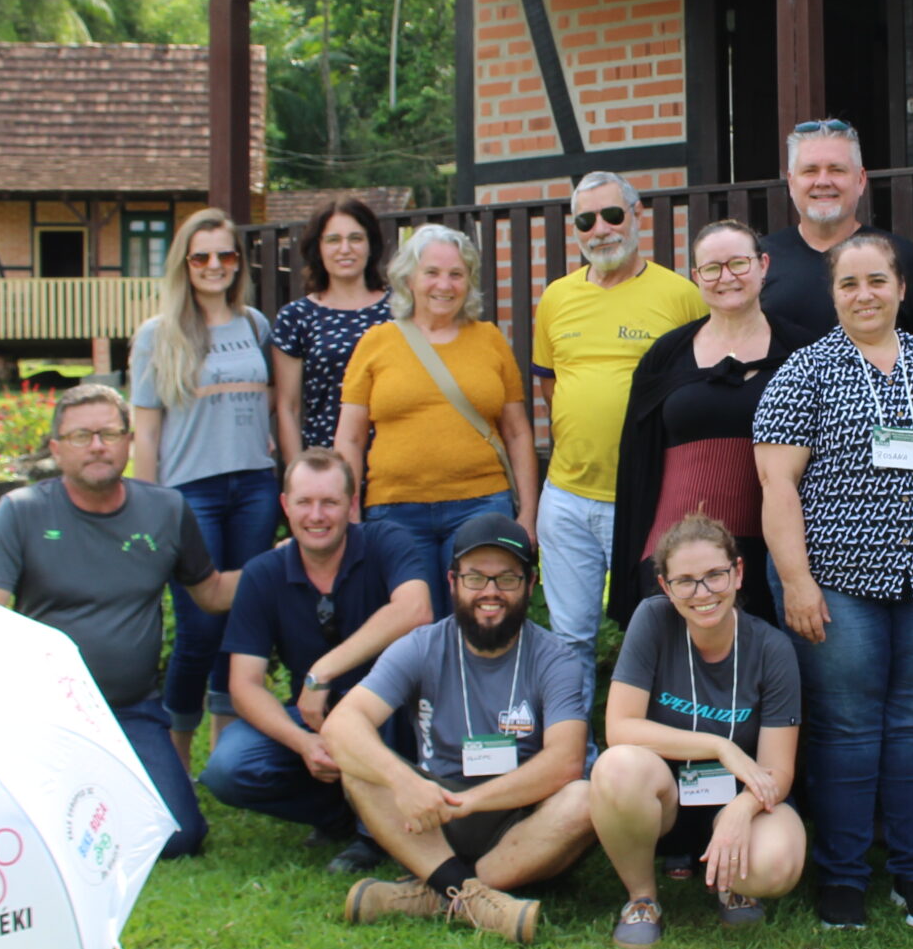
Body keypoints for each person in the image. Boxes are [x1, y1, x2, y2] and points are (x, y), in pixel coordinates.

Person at [754, 230, 913, 932]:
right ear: (834, 294)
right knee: (849, 730)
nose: (864, 294)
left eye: (876, 281)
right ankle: (843, 878)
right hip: (837, 585)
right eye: (848, 283)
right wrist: (796, 580)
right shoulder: (806, 371)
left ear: (901, 288)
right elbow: (777, 482)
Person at [0, 382, 239, 860]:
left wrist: (287, 563)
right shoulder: (23, 512)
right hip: (48, 713)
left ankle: (91, 799)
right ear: (56, 449)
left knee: (181, 837)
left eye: (109, 433)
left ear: (128, 442)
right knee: (13, 828)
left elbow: (213, 592)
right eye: (81, 436)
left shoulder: (166, 510)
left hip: (131, 709)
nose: (97, 445)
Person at [324, 514, 596, 945]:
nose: (490, 592)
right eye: (475, 577)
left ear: (530, 583)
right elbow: (341, 724)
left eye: (506, 578)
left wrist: (468, 803)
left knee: (584, 798)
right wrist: (402, 782)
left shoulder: (555, 658)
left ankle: (432, 894)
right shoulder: (421, 645)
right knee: (360, 768)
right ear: (452, 581)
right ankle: (473, 897)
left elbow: (565, 762)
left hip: (518, 819)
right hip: (430, 816)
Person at [200, 448, 436, 873]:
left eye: (329, 502)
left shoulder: (386, 541)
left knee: (382, 708)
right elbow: (244, 684)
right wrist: (304, 744)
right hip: (315, 723)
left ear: (351, 505)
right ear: (286, 506)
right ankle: (340, 815)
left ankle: (374, 835)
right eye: (305, 502)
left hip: (391, 713)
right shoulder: (262, 573)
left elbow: (416, 609)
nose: (317, 515)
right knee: (227, 768)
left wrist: (321, 671)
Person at [532, 171, 707, 716]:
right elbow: (549, 385)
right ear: (575, 229)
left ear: (636, 216)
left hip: (648, 499)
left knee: (661, 632)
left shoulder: (680, 294)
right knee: (569, 641)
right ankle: (574, 762)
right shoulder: (557, 298)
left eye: (612, 215)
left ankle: (658, 755)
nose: (601, 229)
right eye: (586, 220)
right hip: (566, 497)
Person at [590, 512, 808, 949]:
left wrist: (741, 811)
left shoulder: (771, 648)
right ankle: (642, 899)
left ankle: (734, 883)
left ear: (739, 573)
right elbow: (619, 728)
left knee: (779, 862)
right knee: (616, 768)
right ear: (667, 588)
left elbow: (777, 771)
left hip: (735, 801)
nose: (703, 593)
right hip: (663, 800)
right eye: (686, 581)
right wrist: (719, 746)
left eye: (715, 576)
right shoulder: (652, 621)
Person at [610, 218, 812, 630]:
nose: (726, 278)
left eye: (738, 263)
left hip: (774, 549)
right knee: (673, 677)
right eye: (712, 268)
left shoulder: (803, 352)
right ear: (696, 277)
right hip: (678, 550)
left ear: (763, 265)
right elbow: (636, 463)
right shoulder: (665, 356)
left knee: (764, 672)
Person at [131, 207, 281, 765]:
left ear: (238, 263)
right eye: (202, 257)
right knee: (197, 627)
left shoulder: (255, 326)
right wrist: (145, 509)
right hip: (188, 494)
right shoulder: (157, 336)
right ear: (184, 264)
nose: (214, 265)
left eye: (225, 255)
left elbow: (270, 410)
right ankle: (173, 752)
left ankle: (224, 750)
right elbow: (146, 432)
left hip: (254, 489)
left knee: (239, 625)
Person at [335, 223, 538, 610]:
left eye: (456, 274)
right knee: (409, 624)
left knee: (480, 619)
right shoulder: (377, 342)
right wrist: (351, 510)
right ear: (408, 278)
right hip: (394, 510)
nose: (444, 284)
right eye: (432, 272)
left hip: (481, 506)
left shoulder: (489, 339)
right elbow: (350, 438)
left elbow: (516, 433)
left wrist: (527, 514)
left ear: (469, 282)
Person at [757, 119, 913, 339]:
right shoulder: (759, 263)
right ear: (791, 183)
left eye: (836, 170)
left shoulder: (905, 259)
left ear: (860, 180)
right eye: (810, 171)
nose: (822, 181)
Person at [272, 197, 393, 464]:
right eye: (333, 240)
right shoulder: (296, 317)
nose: (345, 249)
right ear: (318, 248)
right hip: (328, 464)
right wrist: (297, 479)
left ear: (371, 245)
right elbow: (288, 408)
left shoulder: (401, 309)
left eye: (355, 238)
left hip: (394, 461)